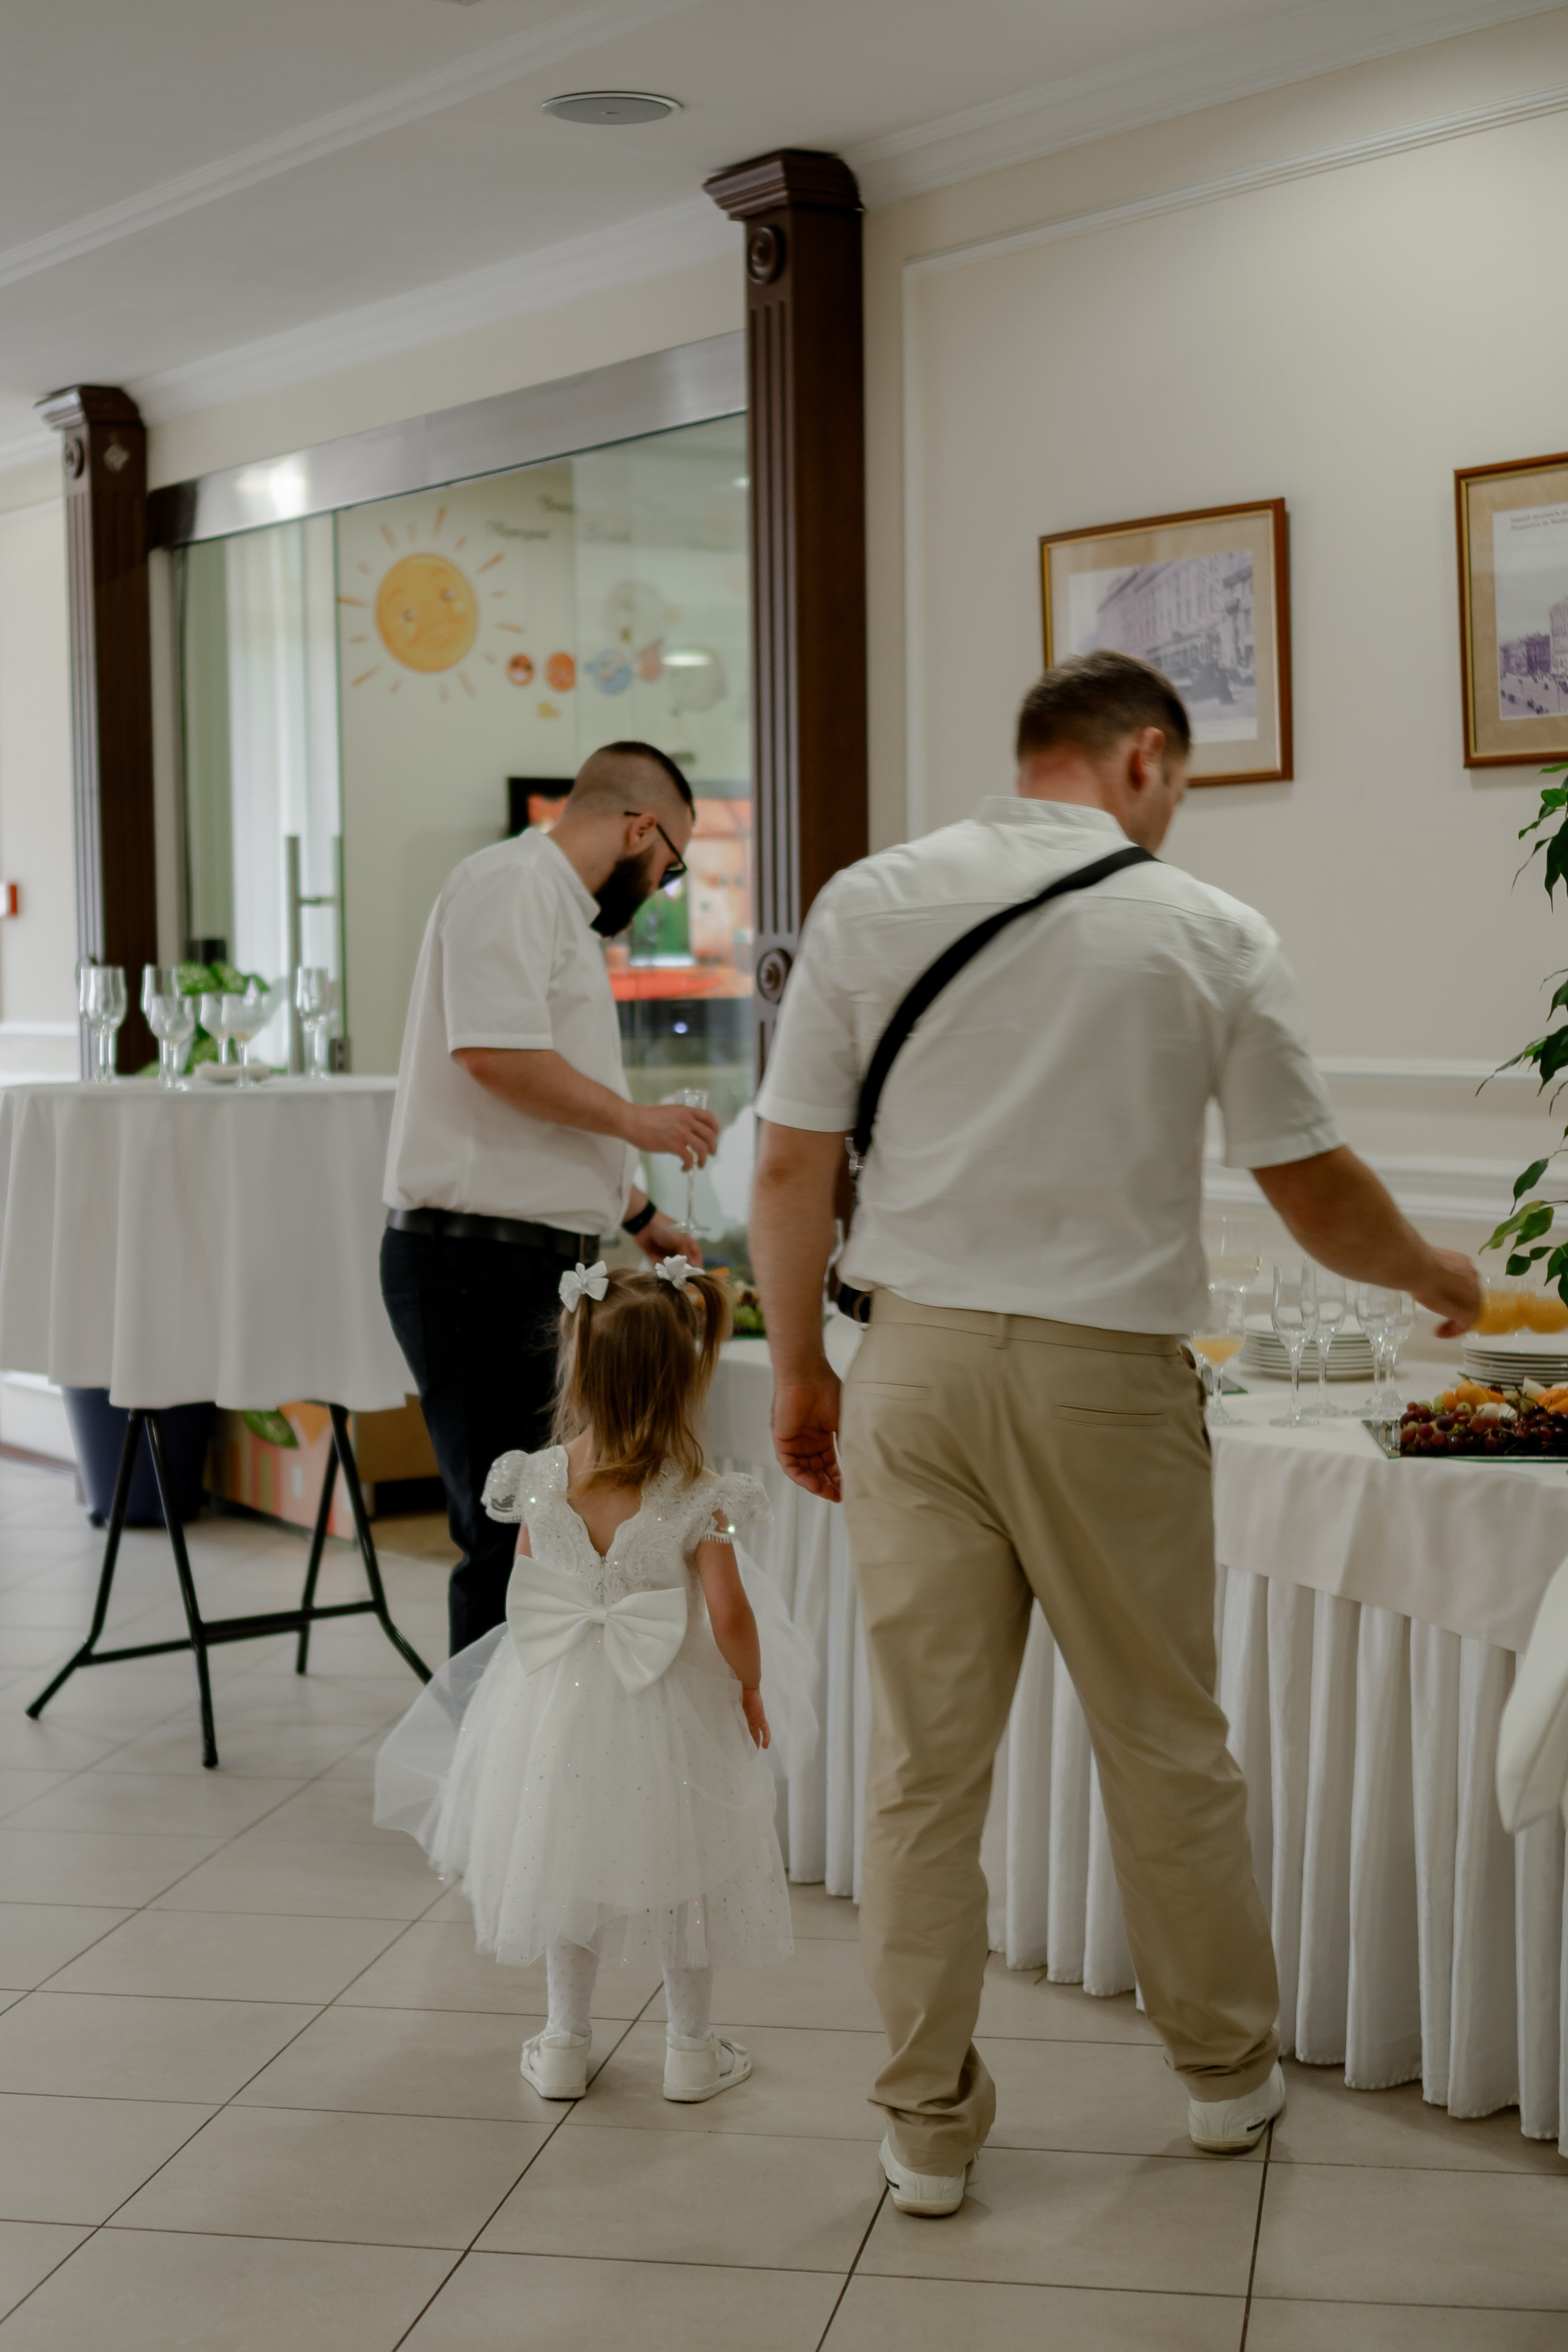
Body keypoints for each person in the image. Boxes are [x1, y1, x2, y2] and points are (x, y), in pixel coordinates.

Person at [748, 650, 1480, 2216]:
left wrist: (800, 1369)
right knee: (1161, 1745)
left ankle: (923, 2129)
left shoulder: (869, 900)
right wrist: (1430, 1273)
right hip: (1104, 1380)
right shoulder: (1201, 929)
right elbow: (1308, 1178)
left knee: (923, 1770)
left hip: (913, 1367)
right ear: (1142, 757)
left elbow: (787, 1169)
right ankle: (1222, 2079)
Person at [375, 1259, 809, 2103]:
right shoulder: (702, 1495)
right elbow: (728, 1614)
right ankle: (689, 2050)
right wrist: (750, 1687)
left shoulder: (538, 1477)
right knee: (687, 1871)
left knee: (562, 1863)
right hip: (671, 1701)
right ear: (682, 1374)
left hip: (556, 1701)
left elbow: (526, 1592)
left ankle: (565, 2042)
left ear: (576, 1365)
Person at [380, 741, 719, 1656]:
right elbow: (494, 1057)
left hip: (524, 1264)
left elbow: (553, 1110)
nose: (662, 886)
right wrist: (639, 1123)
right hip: (472, 1264)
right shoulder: (513, 884)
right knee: (504, 1538)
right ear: (641, 829)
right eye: (672, 865)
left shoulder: (564, 915)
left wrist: (642, 1217)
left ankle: (531, 1777)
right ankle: (484, 1790)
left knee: (550, 1537)